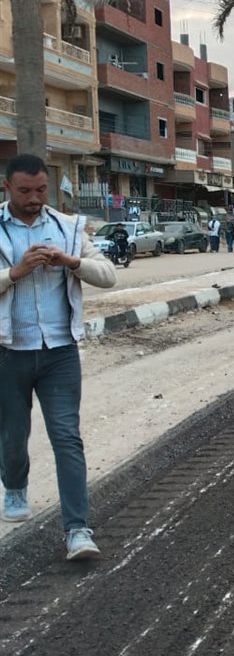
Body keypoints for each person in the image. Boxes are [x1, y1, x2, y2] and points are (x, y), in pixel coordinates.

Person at [0, 154, 117, 560]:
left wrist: (73, 262)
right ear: (7, 189)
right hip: (8, 352)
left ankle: (78, 530)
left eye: (41, 190)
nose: (34, 199)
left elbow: (109, 275)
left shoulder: (68, 228)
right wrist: (15, 273)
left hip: (60, 353)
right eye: (24, 191)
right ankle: (14, 485)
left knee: (68, 438)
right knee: (13, 436)